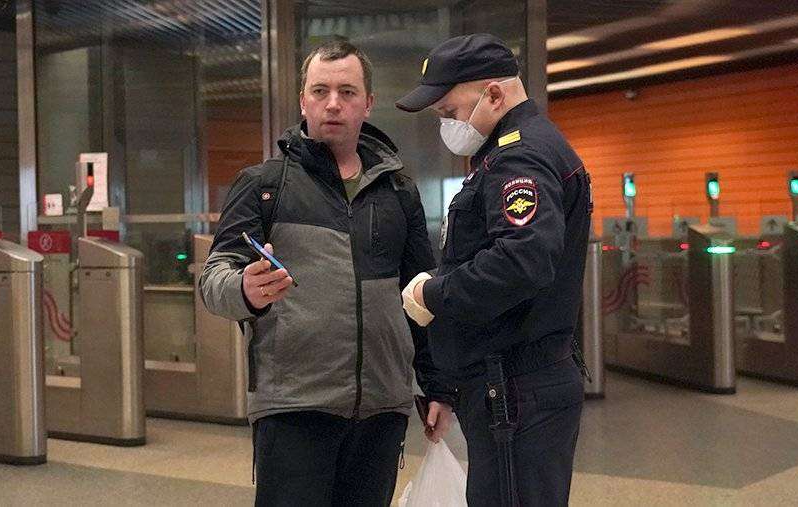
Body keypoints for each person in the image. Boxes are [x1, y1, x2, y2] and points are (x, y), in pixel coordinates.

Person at [199, 40, 455, 506]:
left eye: (347, 92)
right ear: (303, 101)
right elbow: (213, 278)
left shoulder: (399, 191)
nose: (333, 103)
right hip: (293, 406)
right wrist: (245, 289)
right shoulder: (264, 185)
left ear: (367, 103)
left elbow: (420, 294)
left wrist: (437, 385)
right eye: (320, 91)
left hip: (381, 408)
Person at [396, 33, 592, 507]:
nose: (446, 124)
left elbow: (523, 259)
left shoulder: (519, 156)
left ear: (495, 94)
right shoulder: (512, 151)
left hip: (516, 391)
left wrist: (433, 294)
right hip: (513, 387)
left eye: (449, 111)